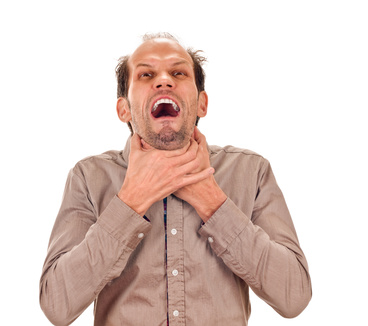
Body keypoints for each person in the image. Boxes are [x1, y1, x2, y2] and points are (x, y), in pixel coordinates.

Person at [40, 33, 312, 326]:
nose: (164, 81)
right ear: (124, 109)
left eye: (178, 72)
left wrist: (211, 201)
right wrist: (131, 201)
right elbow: (57, 305)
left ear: (201, 104)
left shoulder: (252, 171)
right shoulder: (88, 177)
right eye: (146, 74)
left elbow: (293, 296)